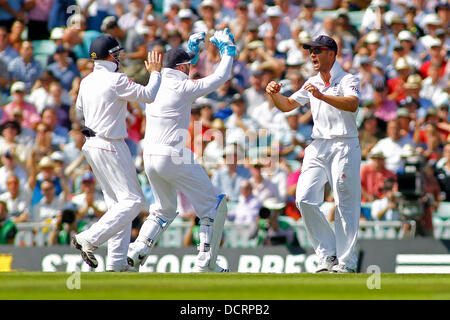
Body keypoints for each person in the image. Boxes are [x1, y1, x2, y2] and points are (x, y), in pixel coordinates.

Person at [127, 29, 237, 273]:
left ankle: (136, 251)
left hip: (149, 157)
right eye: (189, 66)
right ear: (183, 68)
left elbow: (180, 67)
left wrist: (192, 53)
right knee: (214, 206)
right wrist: (228, 51)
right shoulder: (183, 87)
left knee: (163, 209)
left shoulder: (154, 83)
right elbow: (221, 77)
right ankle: (205, 262)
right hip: (172, 154)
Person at [265, 35, 361, 273]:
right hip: (318, 145)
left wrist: (322, 96)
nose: (312, 55)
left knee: (343, 202)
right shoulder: (311, 81)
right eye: (310, 51)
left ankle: (347, 263)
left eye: (317, 50)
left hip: (344, 144)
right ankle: (327, 254)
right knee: (304, 199)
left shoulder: (348, 79)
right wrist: (273, 93)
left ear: (332, 53)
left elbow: (352, 104)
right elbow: (287, 105)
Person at [71, 34, 162, 272]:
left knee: (118, 206)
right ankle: (89, 238)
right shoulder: (116, 79)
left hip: (91, 144)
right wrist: (156, 72)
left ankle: (116, 262)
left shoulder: (86, 81)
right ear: (111, 55)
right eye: (117, 54)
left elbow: (79, 109)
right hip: (110, 143)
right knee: (134, 201)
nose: (120, 57)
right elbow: (148, 96)